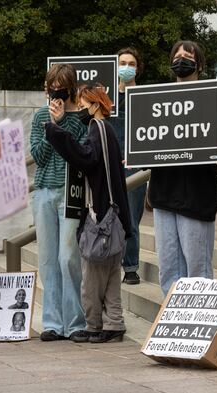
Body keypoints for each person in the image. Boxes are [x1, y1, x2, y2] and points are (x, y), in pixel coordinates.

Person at [46, 84, 131, 344]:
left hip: (101, 215)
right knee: (111, 276)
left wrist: (55, 130)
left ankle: (94, 325)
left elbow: (85, 158)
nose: (81, 110)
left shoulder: (97, 129)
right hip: (116, 216)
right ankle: (114, 323)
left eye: (83, 106)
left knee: (92, 279)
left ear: (95, 105)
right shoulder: (107, 130)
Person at [150, 40, 217, 296]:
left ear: (199, 64)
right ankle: (172, 323)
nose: (182, 59)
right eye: (177, 55)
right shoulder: (156, 102)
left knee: (198, 273)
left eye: (188, 56)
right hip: (164, 198)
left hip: (197, 200)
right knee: (168, 271)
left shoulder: (210, 101)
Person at [30, 64, 87, 341]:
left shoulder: (80, 118)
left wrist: (63, 123)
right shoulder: (40, 115)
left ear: (71, 88)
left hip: (70, 190)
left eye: (62, 86)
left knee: (68, 257)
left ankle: (76, 322)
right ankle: (52, 322)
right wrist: (52, 124)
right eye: (53, 85)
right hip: (43, 191)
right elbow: (38, 156)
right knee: (48, 259)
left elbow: (76, 153)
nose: (56, 91)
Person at [109, 47, 146, 285]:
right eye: (122, 62)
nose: (126, 67)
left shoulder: (147, 99)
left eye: (131, 63)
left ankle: (130, 267)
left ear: (137, 68)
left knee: (131, 217)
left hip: (135, 166)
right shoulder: (106, 99)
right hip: (109, 163)